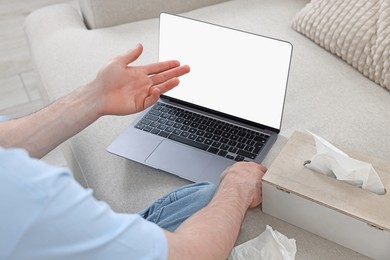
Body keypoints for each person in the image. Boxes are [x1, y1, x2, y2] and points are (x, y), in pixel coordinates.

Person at [0, 44, 267, 260]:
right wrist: (237, 187)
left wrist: (96, 95)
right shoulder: (31, 200)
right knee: (218, 204)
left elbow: (5, 141)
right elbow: (191, 255)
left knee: (204, 196)